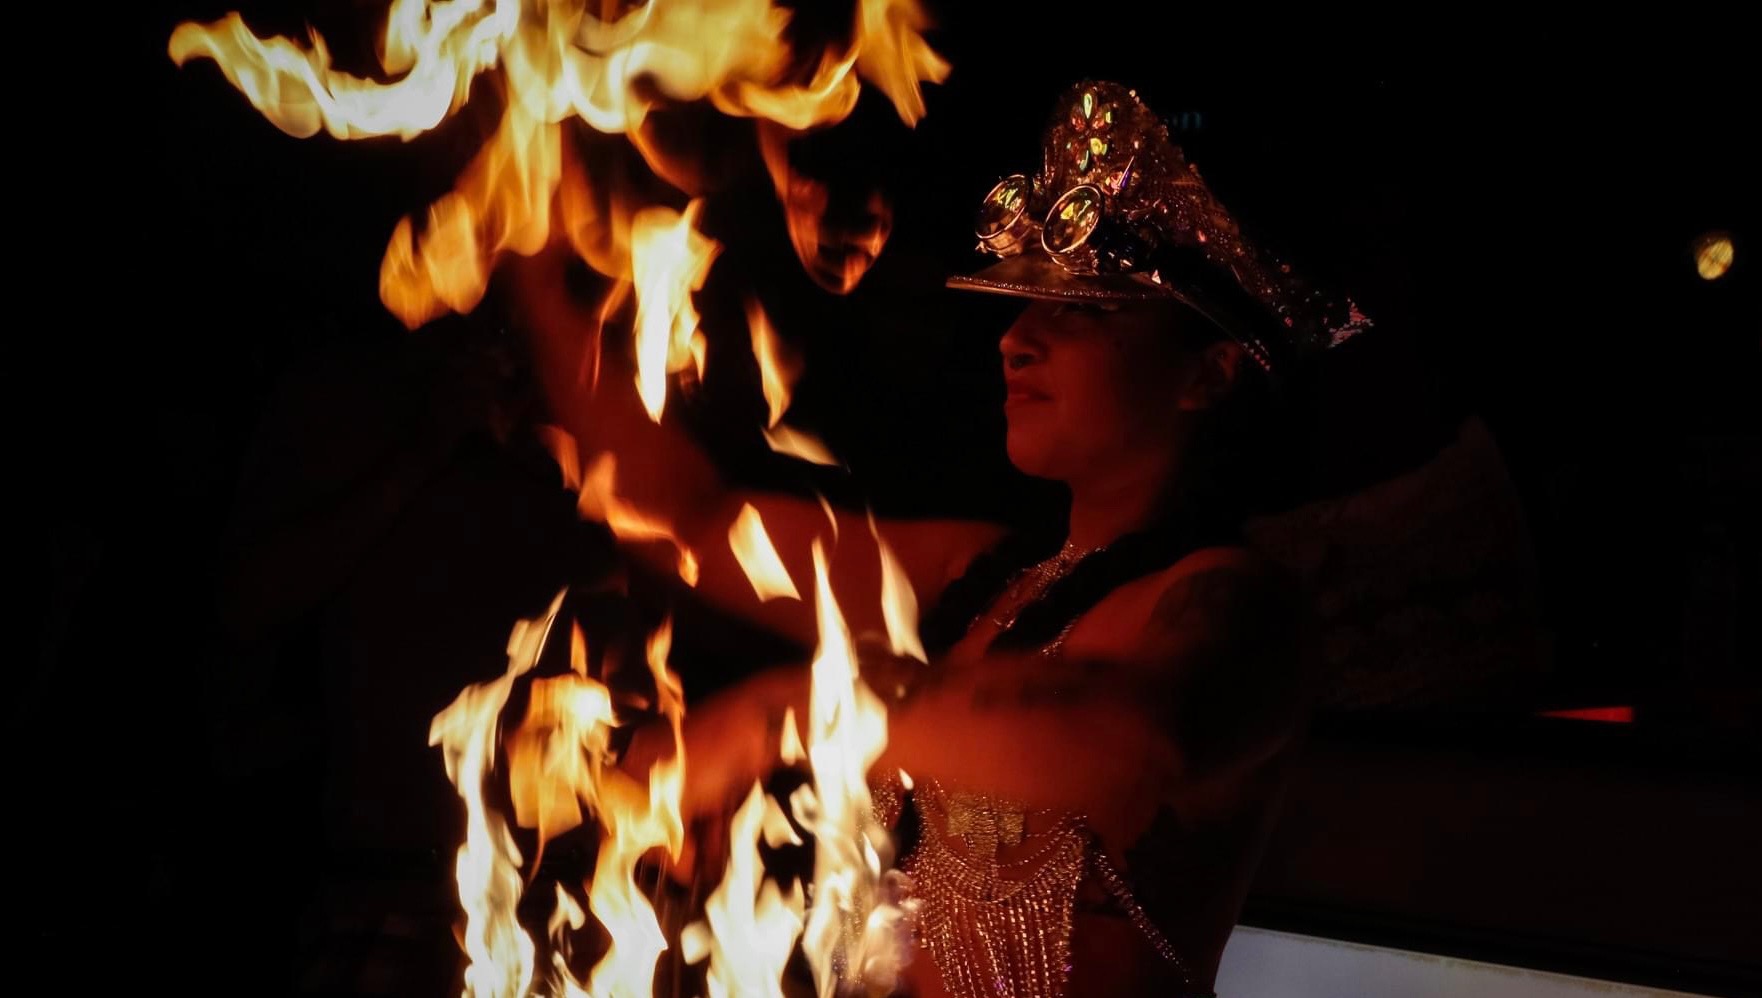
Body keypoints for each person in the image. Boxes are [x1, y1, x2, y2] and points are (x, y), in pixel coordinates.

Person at [520, 80, 1371, 996]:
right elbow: (687, 522)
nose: (1014, 340)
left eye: (1080, 311)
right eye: (1022, 306)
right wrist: (525, 254)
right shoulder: (985, 576)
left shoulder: (1238, 611)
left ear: (1206, 375)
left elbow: (1127, 748)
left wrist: (786, 716)